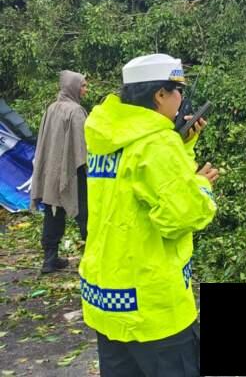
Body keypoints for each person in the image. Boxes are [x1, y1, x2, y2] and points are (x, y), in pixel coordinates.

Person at [80, 53, 219, 376]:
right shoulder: (156, 145)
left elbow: (136, 192)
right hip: (152, 307)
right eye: (177, 90)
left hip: (109, 300)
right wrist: (201, 185)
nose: (181, 98)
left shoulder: (106, 137)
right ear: (159, 95)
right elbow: (179, 215)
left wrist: (182, 145)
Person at [30, 70, 89, 274]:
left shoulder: (51, 108)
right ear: (73, 86)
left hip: (50, 171)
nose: (85, 89)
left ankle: (50, 260)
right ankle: (92, 261)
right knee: (85, 214)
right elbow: (83, 147)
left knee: (53, 211)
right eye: (82, 85)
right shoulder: (76, 111)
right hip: (74, 171)